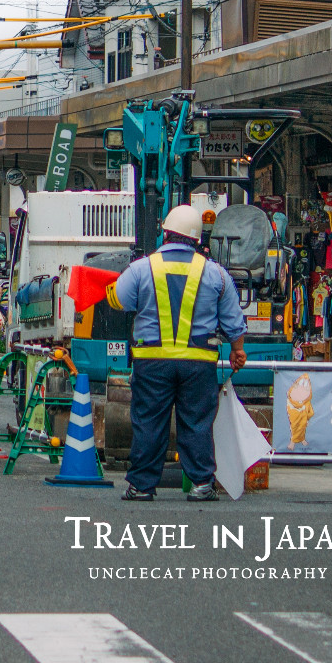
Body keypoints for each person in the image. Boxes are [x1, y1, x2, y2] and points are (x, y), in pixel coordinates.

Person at [114, 204, 247, 502]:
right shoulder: (216, 274)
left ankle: (142, 486)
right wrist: (238, 351)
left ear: (165, 233)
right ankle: (201, 484)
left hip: (152, 362)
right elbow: (233, 321)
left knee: (149, 422)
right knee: (197, 422)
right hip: (199, 363)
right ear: (197, 239)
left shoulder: (142, 267)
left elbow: (119, 300)